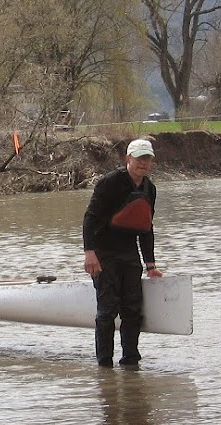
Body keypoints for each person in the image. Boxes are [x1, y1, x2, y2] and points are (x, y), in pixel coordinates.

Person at [82, 138, 163, 367]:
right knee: (107, 311)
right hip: (104, 252)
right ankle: (104, 364)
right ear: (128, 159)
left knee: (132, 310)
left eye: (147, 159)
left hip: (129, 253)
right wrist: (90, 253)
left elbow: (147, 228)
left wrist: (150, 265)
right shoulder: (109, 183)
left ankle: (130, 361)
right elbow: (90, 218)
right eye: (139, 159)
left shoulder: (150, 188)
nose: (143, 164)